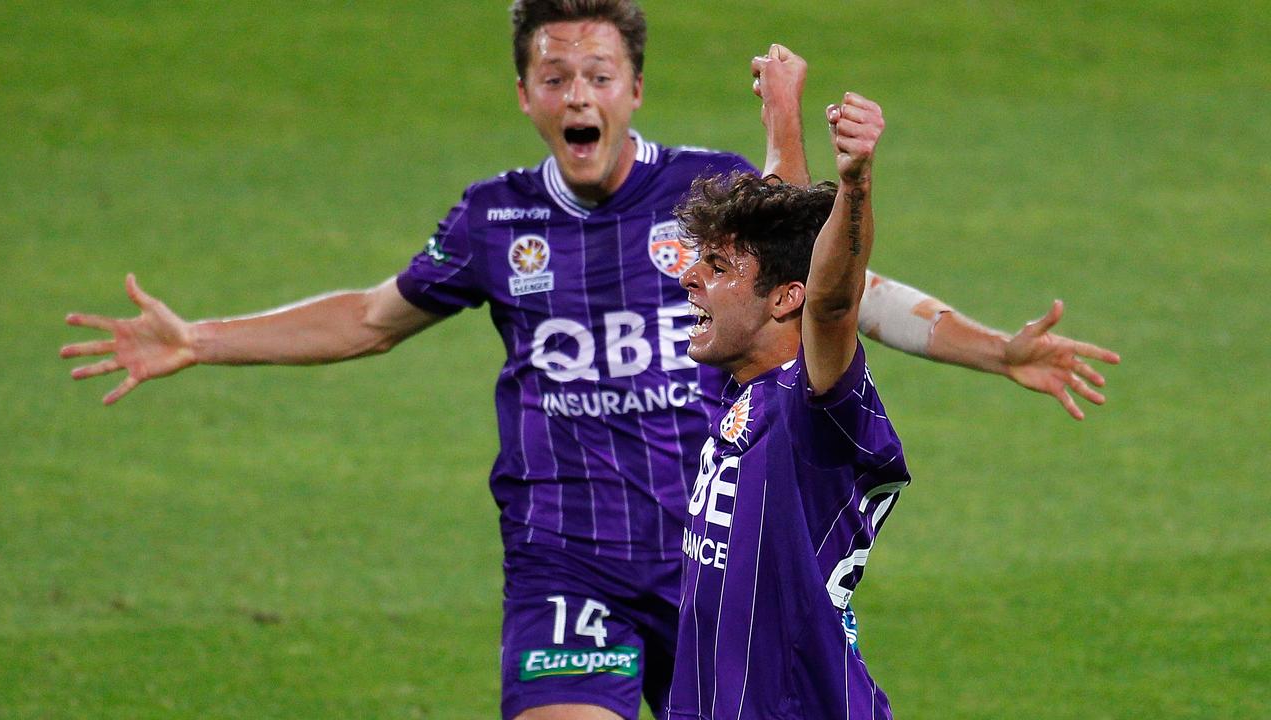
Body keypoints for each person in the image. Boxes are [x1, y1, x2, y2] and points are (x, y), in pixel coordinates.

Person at [60, 2, 1117, 718]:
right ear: (526, 94)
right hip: (572, 561)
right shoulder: (491, 219)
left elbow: (832, 293)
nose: (578, 93)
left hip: (716, 555)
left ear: (633, 88)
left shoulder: (711, 209)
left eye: (597, 73)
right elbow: (371, 318)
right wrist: (198, 337)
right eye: (553, 74)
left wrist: (991, 348)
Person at [667, 92, 903, 719]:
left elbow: (829, 301)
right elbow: (792, 244)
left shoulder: (814, 408)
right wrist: (781, 113)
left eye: (716, 266)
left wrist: (855, 184)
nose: (690, 278)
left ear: (782, 300)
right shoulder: (739, 386)